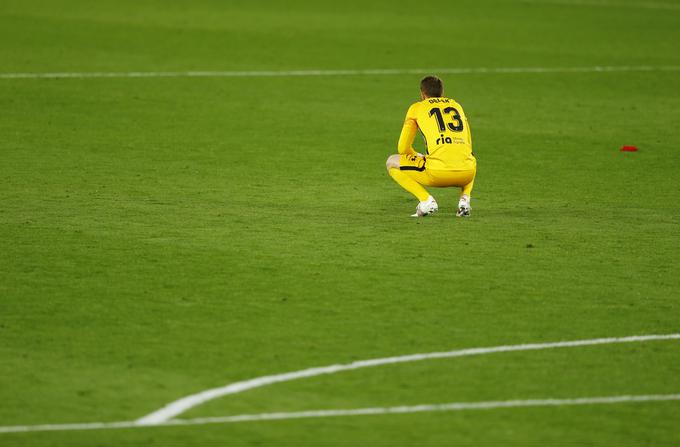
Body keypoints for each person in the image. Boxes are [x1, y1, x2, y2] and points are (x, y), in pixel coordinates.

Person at [386, 75, 477, 217]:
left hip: (437, 173)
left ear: (422, 94)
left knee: (391, 162)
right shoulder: (456, 106)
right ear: (442, 93)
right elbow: (468, 145)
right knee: (468, 156)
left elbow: (403, 149)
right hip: (467, 174)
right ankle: (465, 200)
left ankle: (426, 201)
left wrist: (418, 156)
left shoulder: (417, 108)